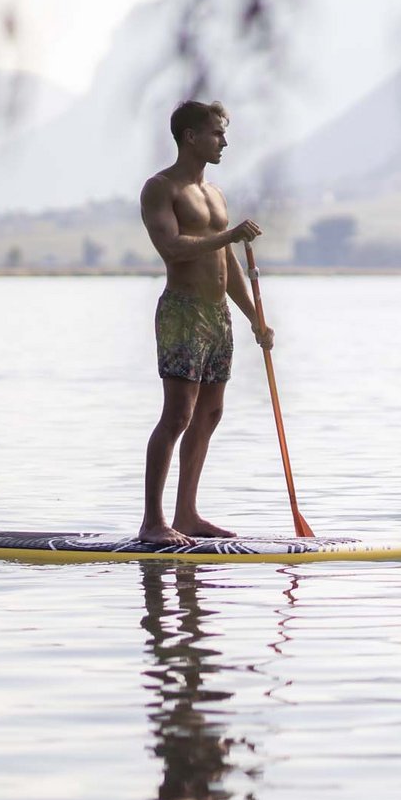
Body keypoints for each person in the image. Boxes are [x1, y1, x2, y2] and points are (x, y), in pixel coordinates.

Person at [137, 99, 272, 545]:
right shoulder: (161, 189)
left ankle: (187, 514)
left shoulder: (215, 194)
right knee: (178, 414)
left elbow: (226, 261)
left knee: (210, 413)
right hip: (182, 313)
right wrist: (230, 235)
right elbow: (173, 248)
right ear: (190, 136)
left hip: (218, 317)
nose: (224, 141)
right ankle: (153, 522)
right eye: (217, 133)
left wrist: (254, 318)